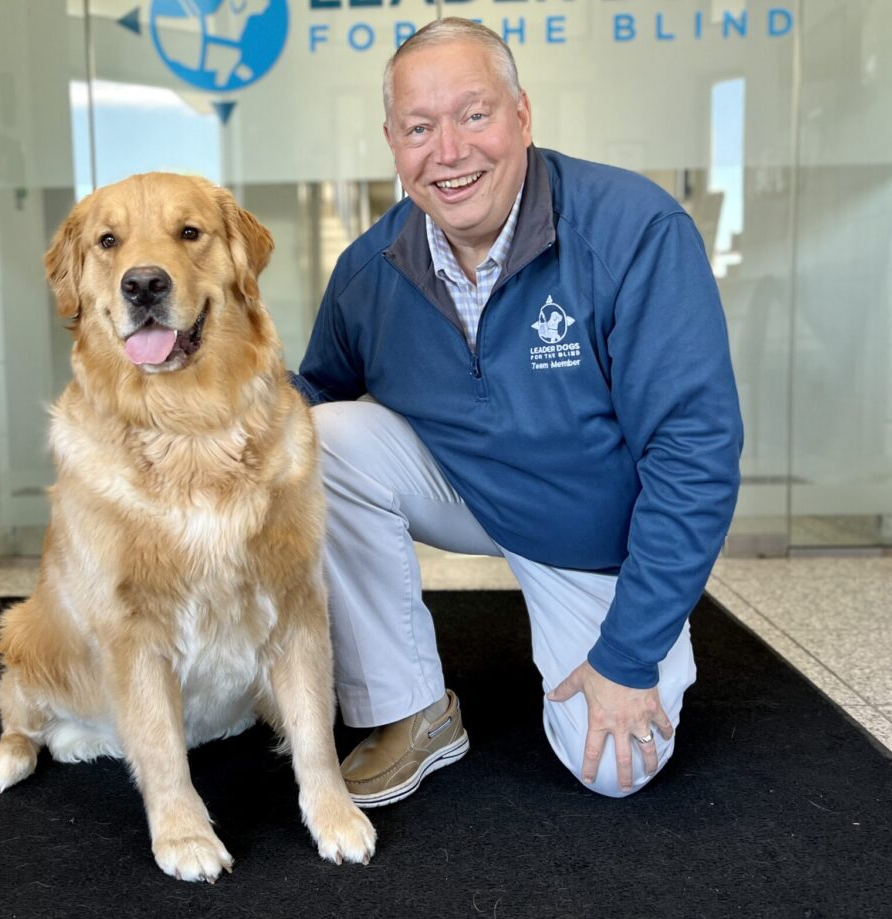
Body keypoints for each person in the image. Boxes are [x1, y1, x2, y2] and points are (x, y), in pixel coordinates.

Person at [292, 17, 743, 804]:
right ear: (393, 144)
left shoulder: (633, 230)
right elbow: (314, 390)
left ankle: (646, 634)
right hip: (468, 487)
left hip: (594, 536)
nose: (450, 151)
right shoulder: (370, 269)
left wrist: (628, 658)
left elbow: (694, 452)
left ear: (523, 116)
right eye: (420, 127)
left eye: (474, 115)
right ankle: (409, 709)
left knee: (613, 769)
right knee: (318, 439)